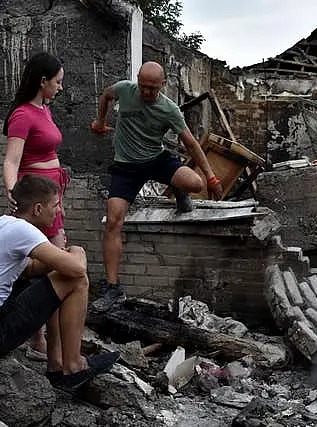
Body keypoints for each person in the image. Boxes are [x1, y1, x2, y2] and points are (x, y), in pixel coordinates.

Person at [0, 175, 119, 392]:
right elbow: (77, 270)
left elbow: (31, 269)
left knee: (49, 278)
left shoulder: (2, 224)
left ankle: (56, 365)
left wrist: (58, 258)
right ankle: (73, 367)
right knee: (76, 281)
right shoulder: (22, 231)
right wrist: (78, 251)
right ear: (38, 209)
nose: (59, 211)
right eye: (56, 205)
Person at [90, 61, 224, 312]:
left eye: (152, 88)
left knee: (195, 183)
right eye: (143, 87)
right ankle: (112, 288)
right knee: (113, 222)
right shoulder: (125, 90)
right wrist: (100, 121)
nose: (147, 92)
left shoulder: (169, 109)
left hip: (156, 160)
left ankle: (179, 189)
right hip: (126, 167)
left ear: (162, 85)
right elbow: (107, 95)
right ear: (137, 81)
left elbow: (192, 145)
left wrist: (211, 178)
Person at [2, 52, 69, 358]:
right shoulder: (22, 115)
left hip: (52, 198)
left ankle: (46, 339)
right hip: (36, 203)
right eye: (57, 82)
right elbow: (12, 160)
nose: (60, 88)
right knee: (48, 266)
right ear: (42, 81)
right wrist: (13, 192)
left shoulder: (45, 110)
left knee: (54, 263)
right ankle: (40, 340)